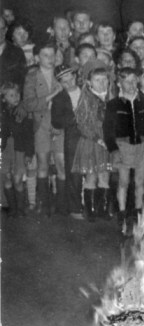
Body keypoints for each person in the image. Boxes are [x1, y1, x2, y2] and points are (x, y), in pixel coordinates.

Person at [104, 67, 144, 234]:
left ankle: (138, 213)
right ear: (119, 83)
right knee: (124, 181)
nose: (132, 84)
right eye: (127, 81)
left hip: (142, 144)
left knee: (140, 182)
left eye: (134, 81)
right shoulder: (113, 104)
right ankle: (122, 213)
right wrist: (113, 149)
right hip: (123, 146)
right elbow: (108, 130)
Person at [23, 43, 61, 215]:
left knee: (61, 164)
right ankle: (43, 203)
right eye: (45, 55)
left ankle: (62, 204)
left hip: (59, 125)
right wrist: (52, 95)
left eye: (52, 55)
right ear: (37, 57)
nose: (50, 59)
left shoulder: (61, 74)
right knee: (43, 164)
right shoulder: (31, 77)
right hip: (41, 125)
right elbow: (29, 104)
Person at [72, 67, 111, 220]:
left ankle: (102, 209)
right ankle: (90, 210)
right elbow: (82, 124)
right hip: (92, 142)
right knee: (91, 176)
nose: (101, 83)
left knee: (105, 175)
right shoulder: (86, 98)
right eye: (97, 80)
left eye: (104, 80)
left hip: (107, 142)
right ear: (89, 83)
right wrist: (98, 139)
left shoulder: (110, 98)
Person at [51, 65, 84, 219]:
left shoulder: (86, 91)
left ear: (75, 76)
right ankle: (74, 208)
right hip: (72, 136)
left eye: (71, 79)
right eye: (65, 82)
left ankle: (91, 206)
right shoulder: (59, 97)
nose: (70, 83)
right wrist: (74, 119)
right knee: (74, 172)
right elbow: (56, 121)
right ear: (59, 83)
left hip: (90, 134)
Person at [1, 81, 34, 216]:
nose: (15, 98)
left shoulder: (23, 112)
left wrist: (29, 153)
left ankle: (20, 209)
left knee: (17, 179)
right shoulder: (3, 113)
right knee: (7, 178)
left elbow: (29, 135)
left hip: (19, 149)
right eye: (11, 95)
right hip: (6, 150)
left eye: (17, 95)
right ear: (4, 98)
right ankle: (12, 208)